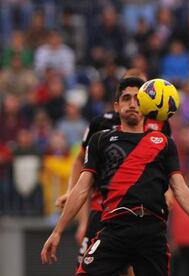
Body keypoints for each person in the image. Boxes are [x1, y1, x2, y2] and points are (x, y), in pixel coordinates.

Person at [41, 75, 189, 276]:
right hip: (114, 227)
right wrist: (57, 231)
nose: (132, 104)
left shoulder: (164, 142)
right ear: (116, 105)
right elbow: (82, 187)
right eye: (126, 98)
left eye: (138, 99)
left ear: (146, 104)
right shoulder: (100, 140)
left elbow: (179, 186)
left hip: (152, 231)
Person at [54, 72, 171, 270]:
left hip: (141, 213)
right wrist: (70, 192)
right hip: (103, 207)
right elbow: (79, 163)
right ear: (118, 100)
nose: (133, 101)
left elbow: (164, 165)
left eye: (140, 93)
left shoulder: (160, 124)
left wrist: (168, 192)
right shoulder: (100, 124)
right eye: (127, 96)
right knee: (85, 264)